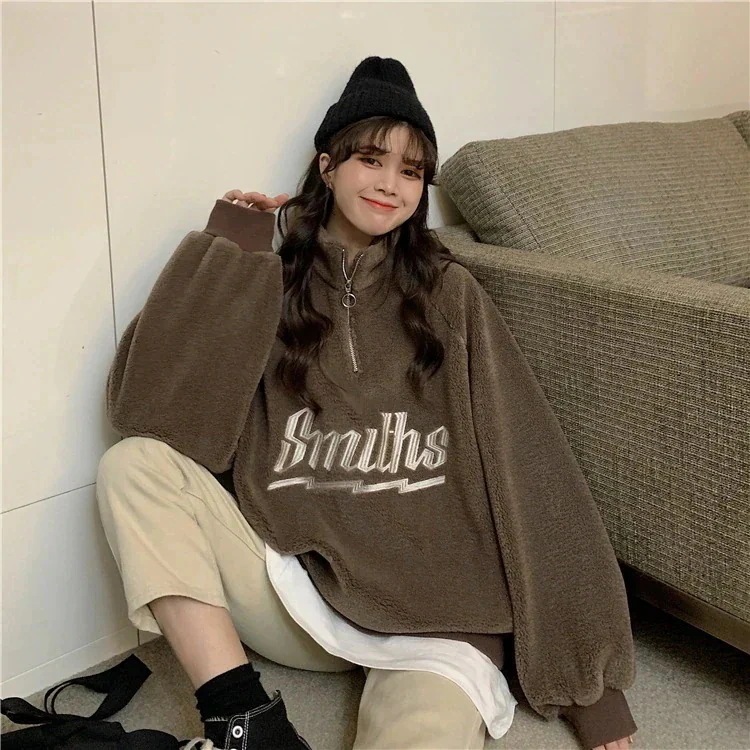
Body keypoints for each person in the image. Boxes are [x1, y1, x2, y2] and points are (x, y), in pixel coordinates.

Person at [96, 56, 638, 750]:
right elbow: (160, 418)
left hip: (438, 619)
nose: (389, 184)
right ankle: (245, 722)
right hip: (296, 592)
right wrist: (232, 251)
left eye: (411, 171)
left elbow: (534, 471)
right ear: (327, 167)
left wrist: (594, 691)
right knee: (134, 465)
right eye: (371, 160)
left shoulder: (450, 295)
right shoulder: (269, 277)